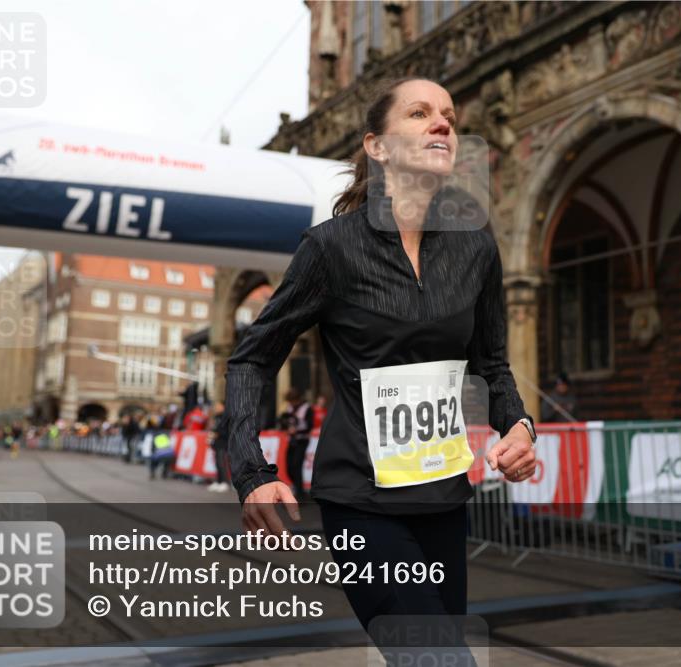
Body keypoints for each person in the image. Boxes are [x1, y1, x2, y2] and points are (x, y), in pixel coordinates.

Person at [223, 78, 537, 651]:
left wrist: (518, 424)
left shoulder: (475, 247)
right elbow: (252, 357)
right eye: (419, 114)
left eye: (448, 114)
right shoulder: (332, 248)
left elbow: (491, 363)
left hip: (443, 496)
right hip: (362, 500)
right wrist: (252, 471)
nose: (442, 123)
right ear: (378, 146)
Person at [278, 388, 312, 500]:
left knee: (297, 465)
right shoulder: (289, 408)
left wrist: (296, 430)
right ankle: (298, 488)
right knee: (289, 466)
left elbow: (309, 426)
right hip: (292, 441)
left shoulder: (306, 408)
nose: (291, 403)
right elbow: (284, 421)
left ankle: (300, 494)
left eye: (292, 400)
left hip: (302, 440)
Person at [208, 402, 230, 493]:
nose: (216, 408)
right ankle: (218, 481)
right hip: (216, 443)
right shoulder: (216, 417)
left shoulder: (226, 418)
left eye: (218, 406)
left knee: (221, 463)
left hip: (223, 443)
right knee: (217, 463)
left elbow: (226, 431)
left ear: (223, 407)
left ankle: (225, 482)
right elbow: (214, 429)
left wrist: (217, 434)